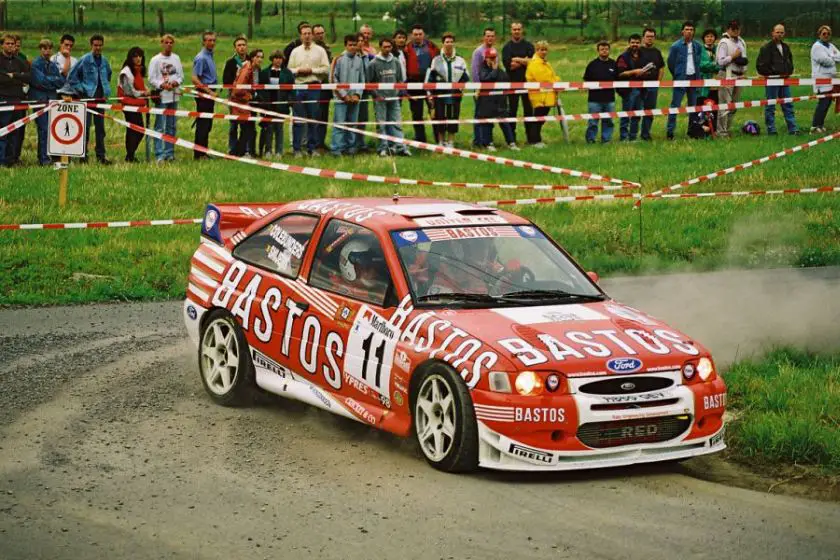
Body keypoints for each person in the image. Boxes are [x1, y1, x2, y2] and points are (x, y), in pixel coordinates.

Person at [65, 34, 112, 164]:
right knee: (85, 127)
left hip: (100, 98)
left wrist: (106, 89)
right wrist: (82, 89)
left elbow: (108, 75)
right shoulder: (85, 59)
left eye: (100, 45)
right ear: (91, 45)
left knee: (100, 128)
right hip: (87, 98)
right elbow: (72, 77)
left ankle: (101, 156)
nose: (98, 47)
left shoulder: (105, 61)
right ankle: (83, 156)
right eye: (95, 45)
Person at [288, 24, 329, 157]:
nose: (307, 36)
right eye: (304, 33)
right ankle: (297, 149)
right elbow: (289, 70)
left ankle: (312, 148)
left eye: (309, 33)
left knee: (313, 119)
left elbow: (326, 69)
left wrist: (312, 71)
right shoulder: (295, 51)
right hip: (299, 87)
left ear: (312, 35)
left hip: (314, 87)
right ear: (300, 35)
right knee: (298, 119)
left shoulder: (320, 51)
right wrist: (298, 71)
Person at [369, 37, 410, 157]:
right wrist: (376, 95)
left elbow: (400, 80)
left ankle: (399, 146)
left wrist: (397, 92)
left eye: (389, 47)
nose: (387, 49)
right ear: (380, 47)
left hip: (394, 98)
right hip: (380, 99)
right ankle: (383, 147)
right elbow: (369, 82)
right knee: (382, 123)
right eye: (385, 47)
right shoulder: (374, 63)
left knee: (396, 122)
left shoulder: (396, 61)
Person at [425, 32, 468, 148]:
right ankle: (441, 141)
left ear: (454, 43)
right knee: (440, 116)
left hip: (454, 95)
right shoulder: (436, 60)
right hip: (440, 94)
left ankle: (450, 141)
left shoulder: (460, 60)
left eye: (451, 42)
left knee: (453, 117)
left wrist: (460, 87)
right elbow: (430, 79)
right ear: (443, 44)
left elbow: (465, 77)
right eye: (447, 42)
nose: (449, 44)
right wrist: (430, 95)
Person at [756, 24, 800, 136]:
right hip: (772, 81)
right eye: (777, 32)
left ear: (784, 34)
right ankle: (771, 130)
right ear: (773, 33)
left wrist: (788, 71)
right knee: (770, 105)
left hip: (785, 80)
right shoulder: (766, 48)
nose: (779, 34)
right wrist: (774, 73)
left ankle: (793, 129)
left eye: (781, 32)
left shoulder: (786, 47)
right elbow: (761, 66)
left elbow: (790, 62)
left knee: (788, 104)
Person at [148, 34, 184, 163]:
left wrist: (175, 83)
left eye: (171, 43)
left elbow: (180, 76)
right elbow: (151, 78)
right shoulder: (155, 60)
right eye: (166, 42)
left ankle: (170, 153)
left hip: (174, 95)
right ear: (162, 43)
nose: (169, 45)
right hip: (162, 96)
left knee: (171, 126)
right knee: (160, 126)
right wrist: (162, 85)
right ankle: (159, 154)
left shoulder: (176, 58)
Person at [29, 39, 65, 166]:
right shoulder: (35, 64)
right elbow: (40, 81)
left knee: (51, 129)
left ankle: (49, 155)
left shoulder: (53, 65)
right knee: (43, 129)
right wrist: (52, 81)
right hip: (40, 100)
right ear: (40, 49)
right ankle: (43, 158)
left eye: (49, 48)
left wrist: (50, 81)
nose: (47, 51)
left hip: (52, 100)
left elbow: (61, 81)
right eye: (44, 48)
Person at [666, 22, 702, 139]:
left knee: (693, 106)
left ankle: (692, 130)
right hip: (681, 78)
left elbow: (698, 62)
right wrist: (677, 75)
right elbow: (671, 63)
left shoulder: (697, 46)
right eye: (687, 29)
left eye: (691, 29)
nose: (689, 31)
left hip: (694, 78)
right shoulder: (676, 46)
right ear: (682, 31)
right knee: (675, 105)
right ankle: (670, 132)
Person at [476, 48, 516, 151]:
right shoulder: (482, 68)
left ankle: (511, 143)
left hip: (500, 101)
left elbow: (506, 79)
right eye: (491, 58)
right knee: (487, 123)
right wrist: (494, 70)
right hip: (486, 101)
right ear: (486, 58)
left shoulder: (499, 69)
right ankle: (488, 143)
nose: (493, 60)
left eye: (494, 58)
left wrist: (496, 69)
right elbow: (486, 79)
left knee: (505, 123)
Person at [330, 34, 364, 157]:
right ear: (345, 45)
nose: (353, 47)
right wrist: (344, 96)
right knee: (339, 123)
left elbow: (362, 80)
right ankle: (336, 149)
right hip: (341, 99)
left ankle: (350, 148)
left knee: (352, 124)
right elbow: (333, 79)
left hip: (354, 99)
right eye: (350, 45)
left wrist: (357, 95)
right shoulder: (338, 59)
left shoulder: (359, 60)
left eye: (355, 45)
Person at [0, 33, 31, 167]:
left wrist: (14, 75)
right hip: (3, 100)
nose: (11, 46)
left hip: (18, 100)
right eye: (7, 43)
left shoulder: (20, 61)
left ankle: (11, 159)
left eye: (12, 44)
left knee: (15, 131)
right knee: (3, 131)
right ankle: (1, 159)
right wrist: (17, 79)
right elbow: (2, 79)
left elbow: (29, 77)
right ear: (2, 45)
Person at [405, 24, 439, 143]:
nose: (418, 36)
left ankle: (438, 138)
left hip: (429, 82)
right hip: (413, 83)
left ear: (424, 35)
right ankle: (420, 139)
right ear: (411, 35)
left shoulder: (432, 46)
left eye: (420, 34)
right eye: (415, 34)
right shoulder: (407, 48)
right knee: (417, 113)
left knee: (434, 111)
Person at [502, 22, 534, 145]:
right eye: (514, 29)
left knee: (528, 111)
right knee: (512, 111)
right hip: (512, 84)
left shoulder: (529, 46)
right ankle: (512, 139)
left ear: (522, 30)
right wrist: (524, 60)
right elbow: (509, 66)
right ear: (511, 31)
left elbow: (532, 62)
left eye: (518, 29)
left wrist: (517, 59)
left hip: (527, 83)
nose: (516, 31)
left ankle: (531, 138)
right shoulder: (507, 47)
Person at [256, 50, 293, 157]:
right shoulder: (264, 73)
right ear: (272, 59)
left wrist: (289, 101)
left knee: (279, 129)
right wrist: (262, 101)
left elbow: (292, 89)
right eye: (276, 58)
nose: (278, 60)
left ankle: (279, 151)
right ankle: (268, 150)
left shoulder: (288, 73)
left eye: (280, 58)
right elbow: (260, 89)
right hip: (268, 105)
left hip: (282, 105)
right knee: (269, 128)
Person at [716, 20, 748, 138]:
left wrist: (744, 71)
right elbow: (720, 61)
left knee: (733, 106)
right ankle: (721, 132)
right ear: (728, 29)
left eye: (737, 29)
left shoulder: (742, 42)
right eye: (733, 29)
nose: (736, 31)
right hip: (727, 74)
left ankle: (727, 129)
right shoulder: (724, 42)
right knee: (724, 105)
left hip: (739, 75)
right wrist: (733, 56)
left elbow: (745, 58)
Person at [117, 47, 149, 163]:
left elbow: (140, 86)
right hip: (129, 104)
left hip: (137, 104)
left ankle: (130, 154)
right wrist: (145, 93)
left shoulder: (137, 70)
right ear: (130, 58)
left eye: (140, 56)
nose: (138, 58)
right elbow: (130, 92)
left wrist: (146, 91)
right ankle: (130, 155)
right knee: (135, 130)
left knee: (137, 130)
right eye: (135, 56)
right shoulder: (126, 72)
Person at [230, 49, 263, 157]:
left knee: (248, 130)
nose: (260, 59)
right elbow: (238, 90)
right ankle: (237, 153)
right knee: (247, 129)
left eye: (261, 57)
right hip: (239, 103)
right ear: (252, 58)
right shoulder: (247, 69)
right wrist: (250, 96)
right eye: (258, 57)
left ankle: (238, 152)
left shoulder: (253, 68)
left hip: (244, 103)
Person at [525, 40, 558, 148]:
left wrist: (555, 80)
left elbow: (553, 76)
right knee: (538, 119)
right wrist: (557, 82)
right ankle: (535, 141)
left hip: (547, 95)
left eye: (545, 50)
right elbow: (544, 79)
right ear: (536, 50)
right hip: (539, 96)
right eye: (541, 50)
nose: (543, 52)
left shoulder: (546, 63)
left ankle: (536, 139)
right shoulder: (535, 63)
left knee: (541, 119)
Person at [583, 41, 616, 144]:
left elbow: (619, 80)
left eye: (606, 49)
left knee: (608, 121)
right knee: (593, 121)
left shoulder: (614, 64)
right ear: (598, 51)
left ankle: (606, 139)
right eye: (602, 49)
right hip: (594, 99)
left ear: (609, 50)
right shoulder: (592, 65)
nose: (604, 51)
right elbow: (586, 80)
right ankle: (591, 139)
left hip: (609, 98)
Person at [191, 31, 217, 159]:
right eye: (209, 40)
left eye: (213, 40)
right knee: (202, 125)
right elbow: (195, 79)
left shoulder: (210, 55)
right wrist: (209, 92)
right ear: (203, 42)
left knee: (208, 124)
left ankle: (204, 151)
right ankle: (198, 153)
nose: (211, 43)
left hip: (210, 92)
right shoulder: (201, 58)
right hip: (204, 93)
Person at [616, 34, 647, 141]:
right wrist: (634, 72)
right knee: (626, 115)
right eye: (633, 42)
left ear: (641, 43)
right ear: (629, 43)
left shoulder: (643, 56)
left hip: (641, 89)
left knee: (637, 115)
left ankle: (633, 137)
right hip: (628, 90)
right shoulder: (623, 57)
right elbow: (620, 73)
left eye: (637, 42)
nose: (635, 44)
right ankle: (623, 137)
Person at [810, 25, 840, 133]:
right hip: (821, 79)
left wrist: (831, 56)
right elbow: (824, 61)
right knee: (823, 103)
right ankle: (814, 126)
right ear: (819, 35)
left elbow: (839, 56)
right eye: (824, 33)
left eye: (828, 34)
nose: (826, 36)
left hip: (831, 79)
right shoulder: (817, 46)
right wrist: (833, 57)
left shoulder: (830, 46)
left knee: (827, 103)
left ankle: (820, 125)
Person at [470, 27, 496, 146]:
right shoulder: (478, 52)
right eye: (488, 36)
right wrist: (477, 88)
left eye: (492, 36)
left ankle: (488, 139)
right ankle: (478, 140)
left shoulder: (495, 51)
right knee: (479, 115)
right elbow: (475, 71)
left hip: (492, 89)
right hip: (481, 89)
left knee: (489, 115)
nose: (490, 38)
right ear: (483, 37)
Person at [223, 35, 249, 155]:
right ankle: (232, 149)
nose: (242, 47)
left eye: (244, 45)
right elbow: (225, 81)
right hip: (233, 97)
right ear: (235, 48)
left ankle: (245, 149)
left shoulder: (250, 61)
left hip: (247, 97)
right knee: (233, 124)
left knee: (247, 125)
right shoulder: (230, 62)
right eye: (239, 45)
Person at [353, 27, 377, 154]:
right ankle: (350, 144)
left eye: (362, 40)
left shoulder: (369, 55)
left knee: (363, 117)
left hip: (365, 92)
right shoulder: (347, 56)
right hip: (352, 92)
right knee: (352, 118)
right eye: (358, 40)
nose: (361, 42)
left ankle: (360, 143)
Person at [639, 27, 665, 140]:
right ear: (643, 38)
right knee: (635, 111)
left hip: (652, 87)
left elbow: (661, 67)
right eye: (647, 36)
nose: (650, 39)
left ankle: (645, 134)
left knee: (649, 111)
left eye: (652, 37)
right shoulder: (637, 51)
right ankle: (631, 135)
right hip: (638, 86)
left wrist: (658, 82)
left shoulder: (657, 52)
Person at [313, 24, 333, 151]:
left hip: (326, 86)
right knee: (314, 115)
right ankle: (312, 142)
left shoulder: (327, 48)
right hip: (315, 86)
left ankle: (321, 142)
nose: (320, 35)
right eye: (318, 33)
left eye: (322, 32)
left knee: (323, 116)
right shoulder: (312, 49)